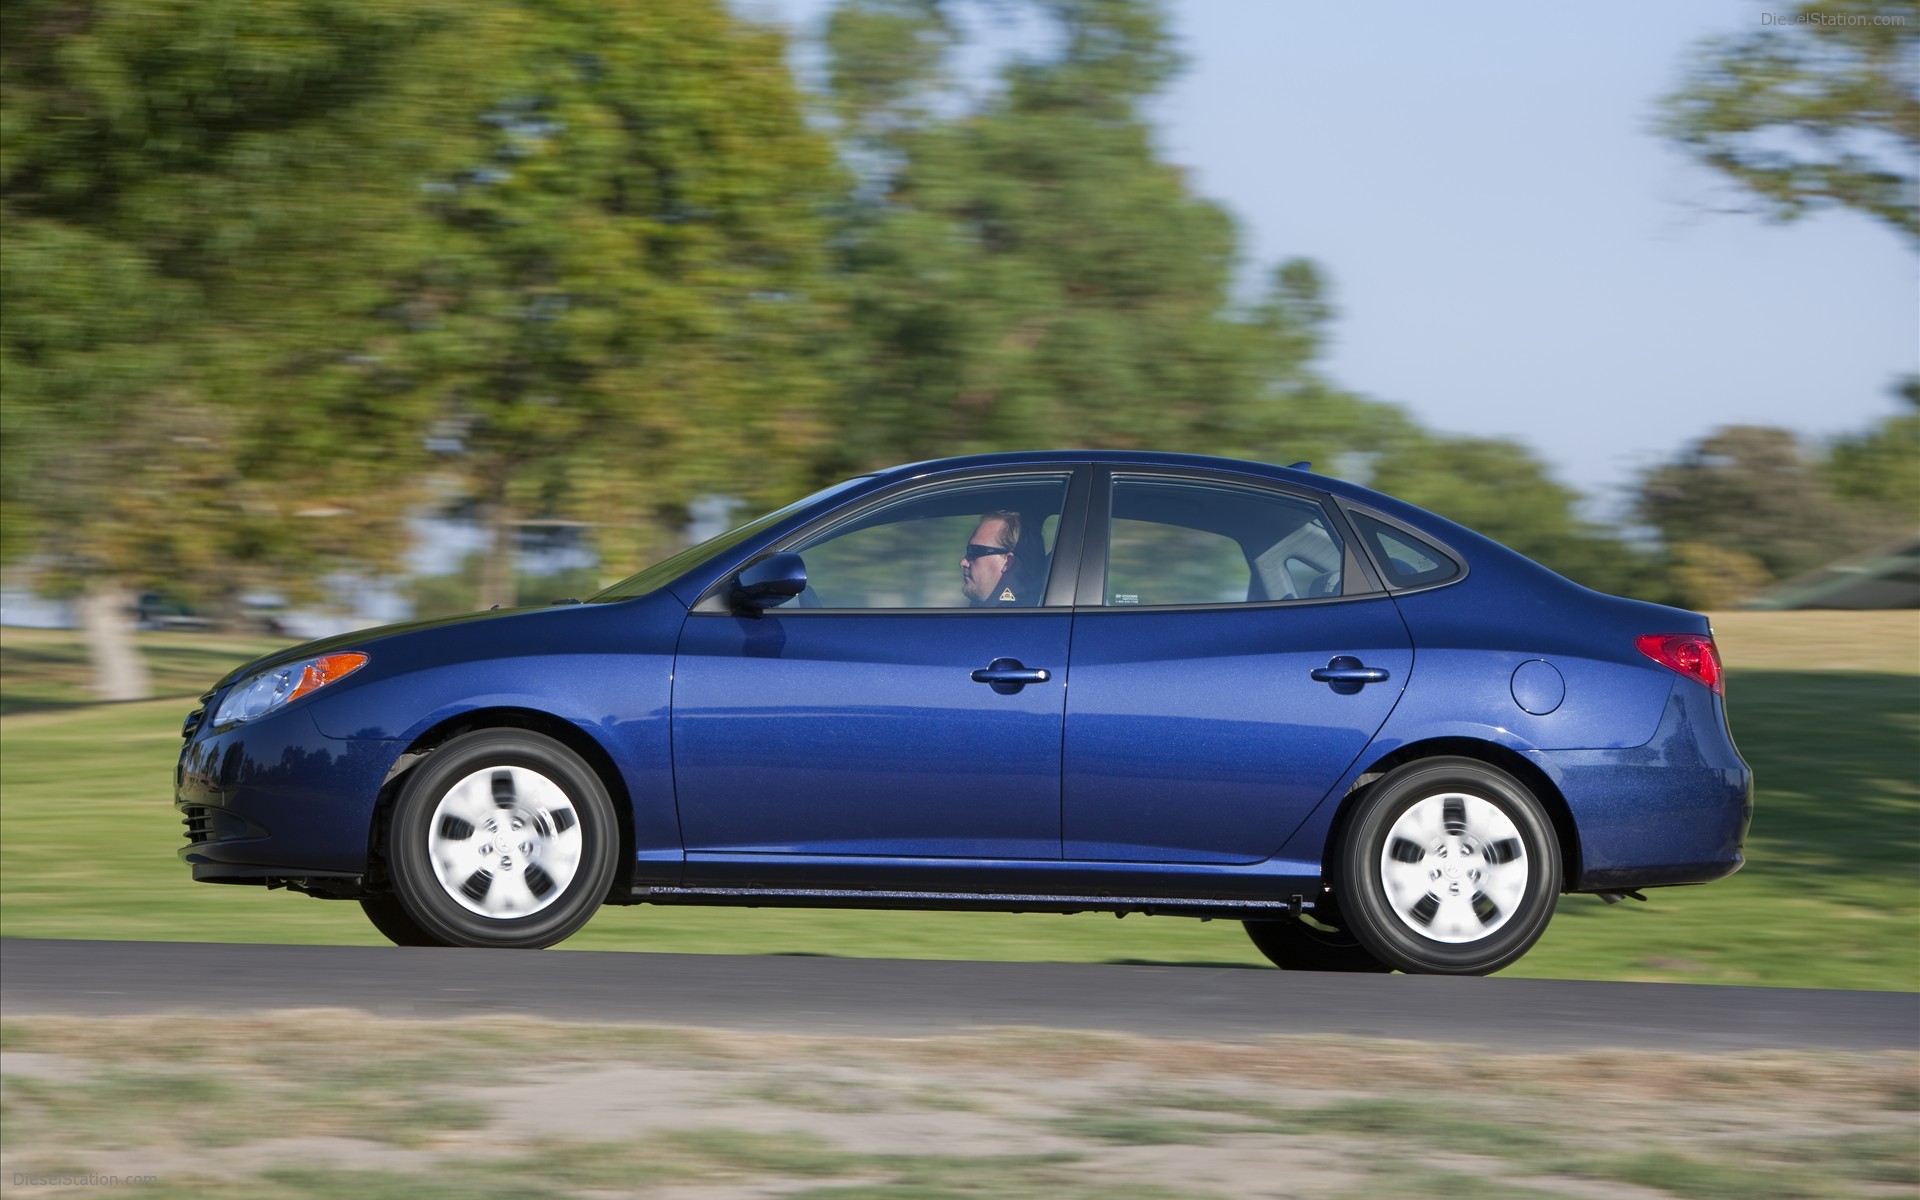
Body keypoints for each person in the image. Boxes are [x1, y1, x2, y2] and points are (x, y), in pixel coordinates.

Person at [960, 510, 1032, 607]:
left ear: (1008, 562)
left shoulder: (1017, 619)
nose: (963, 562)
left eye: (975, 551)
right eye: (968, 550)